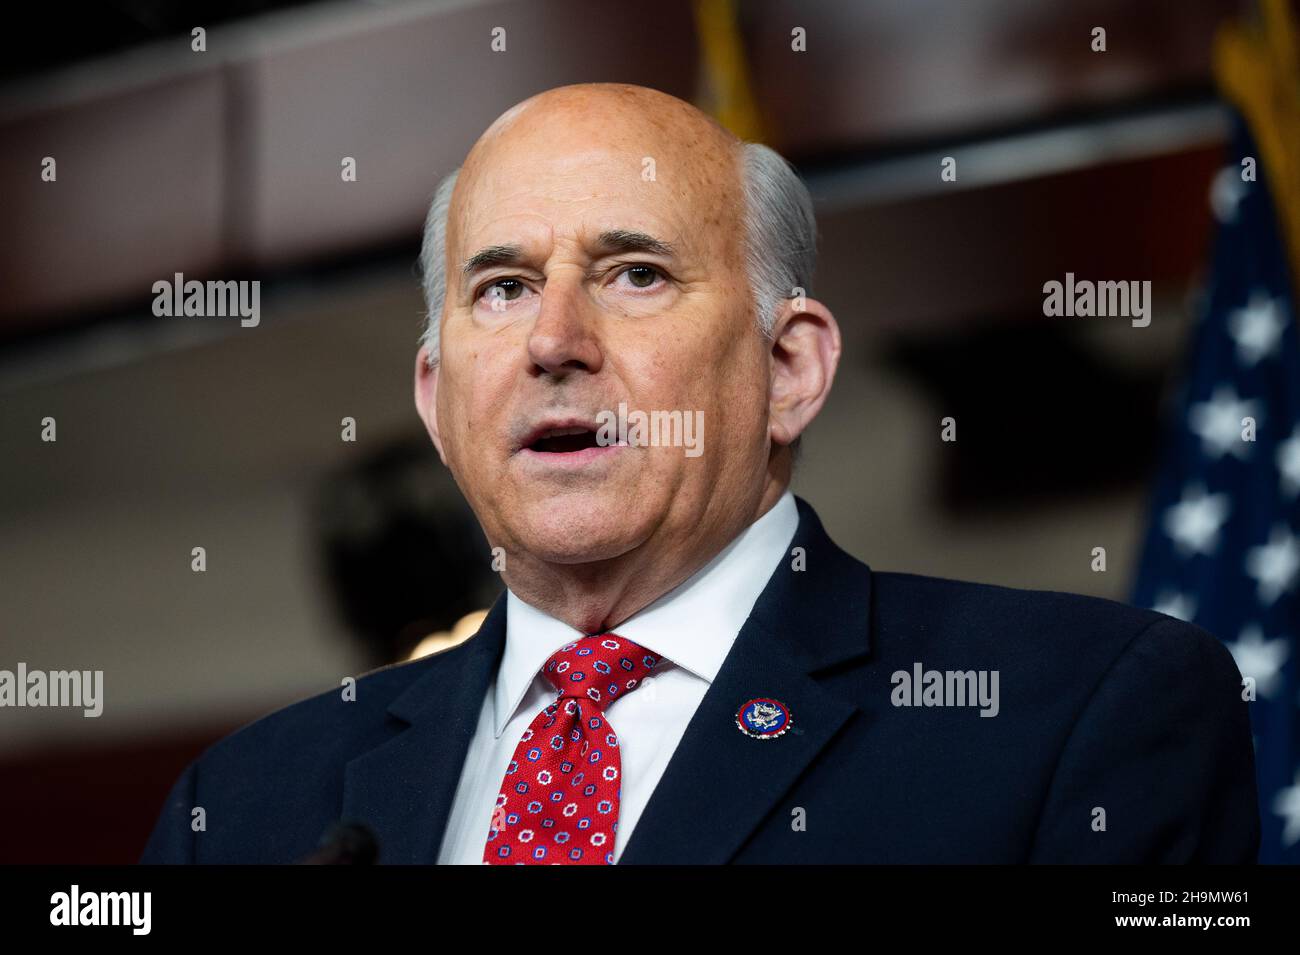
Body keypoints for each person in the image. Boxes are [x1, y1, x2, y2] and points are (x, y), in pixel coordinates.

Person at [140, 83, 1258, 864]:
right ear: (437, 399)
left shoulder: (1078, 712)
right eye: (502, 288)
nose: (553, 340)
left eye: (633, 273)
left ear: (788, 366)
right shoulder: (244, 808)